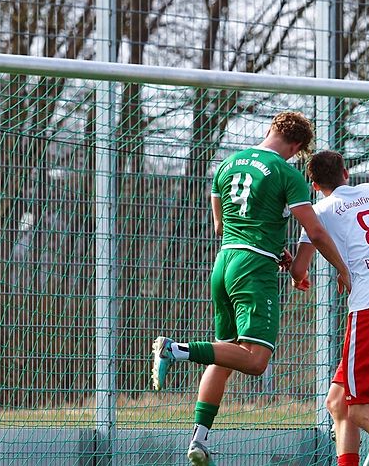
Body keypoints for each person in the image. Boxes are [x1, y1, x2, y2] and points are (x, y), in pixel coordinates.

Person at [150, 112, 351, 466]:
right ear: (298, 146)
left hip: (224, 262)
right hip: (253, 269)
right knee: (256, 361)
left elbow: (220, 225)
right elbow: (316, 232)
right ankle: (176, 349)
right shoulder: (287, 173)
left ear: (271, 129)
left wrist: (275, 248)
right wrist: (342, 269)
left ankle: (199, 440)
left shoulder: (227, 165)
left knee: (224, 353)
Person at [289, 150, 369, 466]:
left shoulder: (318, 211)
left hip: (368, 313)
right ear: (346, 173)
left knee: (361, 409)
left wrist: (295, 272)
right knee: (338, 402)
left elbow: (299, 270)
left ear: (314, 185)